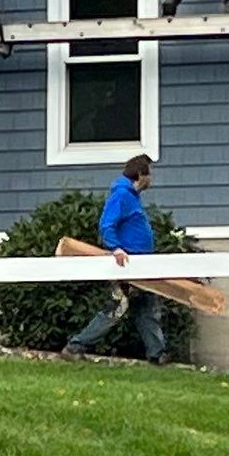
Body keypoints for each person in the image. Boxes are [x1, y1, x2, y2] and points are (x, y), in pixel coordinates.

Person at [66, 153, 166, 362]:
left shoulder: (131, 197)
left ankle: (157, 354)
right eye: (150, 174)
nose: (152, 179)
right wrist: (116, 248)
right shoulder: (121, 195)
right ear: (140, 174)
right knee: (117, 308)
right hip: (126, 266)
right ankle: (76, 346)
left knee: (146, 307)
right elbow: (106, 224)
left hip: (140, 265)